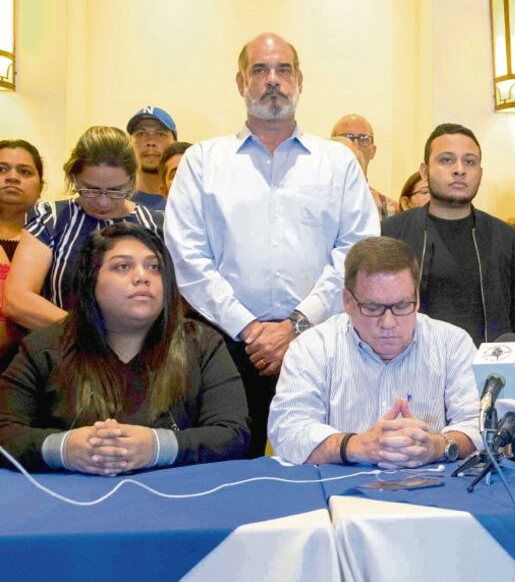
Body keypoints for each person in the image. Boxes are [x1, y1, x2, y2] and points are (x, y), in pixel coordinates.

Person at [164, 33, 379, 456]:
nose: (272, 80)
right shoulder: (203, 162)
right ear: (241, 82)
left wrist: (296, 325)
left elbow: (356, 252)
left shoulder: (337, 164)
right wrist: (250, 329)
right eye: (260, 70)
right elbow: (187, 256)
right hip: (222, 344)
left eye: (283, 70)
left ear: (299, 80)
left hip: (320, 340)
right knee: (223, 469)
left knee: (321, 464)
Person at [0, 224, 249, 473]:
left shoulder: (202, 343)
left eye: (155, 267)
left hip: (178, 500)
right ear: (91, 280)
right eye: (122, 266)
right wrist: (63, 448)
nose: (143, 277)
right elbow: (5, 430)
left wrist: (157, 447)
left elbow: (233, 435)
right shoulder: (44, 348)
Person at [268, 237, 479, 467]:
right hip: (339, 491)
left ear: (417, 300)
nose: (388, 323)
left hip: (431, 489)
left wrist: (438, 446)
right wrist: (356, 446)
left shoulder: (452, 343)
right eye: (373, 308)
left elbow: (480, 425)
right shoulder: (312, 347)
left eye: (401, 306)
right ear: (347, 301)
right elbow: (288, 430)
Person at [382, 123, 515, 345]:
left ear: (480, 172)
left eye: (469, 162)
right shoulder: (390, 235)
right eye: (446, 160)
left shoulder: (504, 238)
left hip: (485, 372)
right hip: (409, 369)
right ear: (424, 171)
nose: (459, 169)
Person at [4, 127, 162, 332]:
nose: (103, 202)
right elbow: (17, 300)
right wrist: (95, 336)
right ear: (74, 177)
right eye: (91, 189)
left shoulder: (155, 225)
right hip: (65, 349)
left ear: (132, 181)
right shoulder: (51, 217)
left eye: (115, 191)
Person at [0, 140, 44, 368]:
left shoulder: (54, 244)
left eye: (24, 172)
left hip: (37, 369)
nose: (12, 178)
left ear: (41, 186)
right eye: (1, 169)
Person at [331, 114, 397, 221]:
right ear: (330, 146)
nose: (356, 146)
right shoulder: (315, 198)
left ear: (373, 151)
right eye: (347, 137)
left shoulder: (391, 209)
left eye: (364, 139)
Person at [127, 106, 177, 212]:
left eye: (160, 134)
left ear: (175, 144)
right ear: (129, 144)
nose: (150, 142)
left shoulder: (190, 202)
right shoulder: (115, 201)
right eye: (141, 134)